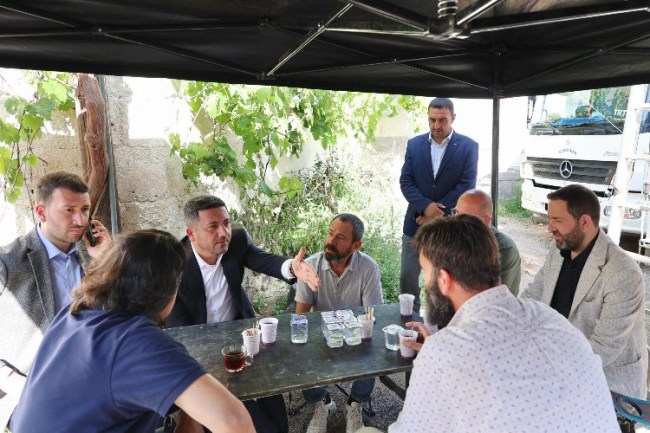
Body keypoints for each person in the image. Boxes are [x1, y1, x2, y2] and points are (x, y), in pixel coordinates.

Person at [360, 214, 620, 433]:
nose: (424, 283)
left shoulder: (444, 353)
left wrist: (440, 354)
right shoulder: (552, 319)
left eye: (426, 273)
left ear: (444, 280)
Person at [9, 229, 255, 433]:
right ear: (167, 290)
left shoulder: (75, 313)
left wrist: (189, 411)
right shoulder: (135, 341)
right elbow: (235, 422)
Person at [167, 195, 321, 433]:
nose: (224, 232)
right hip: (203, 352)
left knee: (277, 416)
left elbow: (264, 260)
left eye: (226, 223)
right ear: (191, 233)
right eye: (213, 226)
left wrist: (292, 267)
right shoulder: (173, 266)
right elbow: (181, 334)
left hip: (243, 336)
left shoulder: (236, 241)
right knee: (255, 423)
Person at [520, 184, 647, 431]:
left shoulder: (622, 272)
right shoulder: (558, 249)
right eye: (549, 219)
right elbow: (532, 298)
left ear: (585, 222)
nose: (550, 227)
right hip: (561, 371)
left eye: (557, 220)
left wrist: (545, 370)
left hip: (610, 389)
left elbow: (603, 349)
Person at [0, 171, 111, 427]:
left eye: (85, 210)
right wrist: (16, 382)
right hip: (31, 392)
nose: (80, 220)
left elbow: (122, 316)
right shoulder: (7, 263)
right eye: (69, 210)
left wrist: (106, 260)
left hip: (93, 382)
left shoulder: (94, 255)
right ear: (41, 212)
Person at [295, 213, 383, 433]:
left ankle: (354, 403)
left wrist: (354, 332)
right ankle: (323, 403)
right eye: (330, 233)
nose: (331, 241)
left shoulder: (369, 268)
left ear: (356, 245)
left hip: (355, 332)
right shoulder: (311, 266)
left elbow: (372, 315)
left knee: (372, 344)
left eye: (340, 237)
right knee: (299, 345)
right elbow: (301, 316)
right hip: (321, 332)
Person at [399, 97, 478, 312]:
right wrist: (425, 206)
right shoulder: (414, 144)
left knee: (444, 280)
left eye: (442, 120)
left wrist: (435, 214)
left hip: (448, 226)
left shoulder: (469, 146)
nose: (436, 125)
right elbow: (406, 181)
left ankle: (441, 322)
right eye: (432, 119)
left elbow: (467, 184)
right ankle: (409, 320)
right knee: (407, 277)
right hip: (416, 222)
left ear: (453, 118)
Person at [453, 189, 521, 294]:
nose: (455, 221)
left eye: (464, 217)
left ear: (486, 220)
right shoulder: (460, 237)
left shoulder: (503, 249)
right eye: (456, 212)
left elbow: (493, 297)